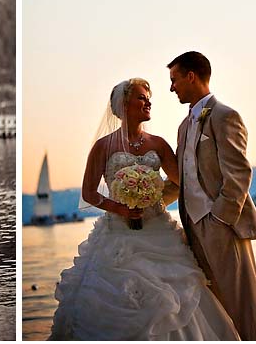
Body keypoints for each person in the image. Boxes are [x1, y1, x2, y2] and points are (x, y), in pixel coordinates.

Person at [49, 78, 239, 341]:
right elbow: (88, 194)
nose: (148, 102)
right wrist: (121, 208)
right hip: (118, 236)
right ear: (123, 105)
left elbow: (181, 181)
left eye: (148, 97)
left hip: (159, 231)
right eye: (141, 97)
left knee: (179, 293)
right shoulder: (103, 146)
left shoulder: (158, 144)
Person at [168, 51, 256, 341]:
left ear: (191, 76)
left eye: (174, 79)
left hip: (221, 224)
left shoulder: (225, 116)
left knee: (242, 303)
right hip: (191, 227)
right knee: (215, 307)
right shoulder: (184, 127)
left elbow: (238, 173)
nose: (171, 87)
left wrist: (219, 219)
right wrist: (143, 206)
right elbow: (182, 179)